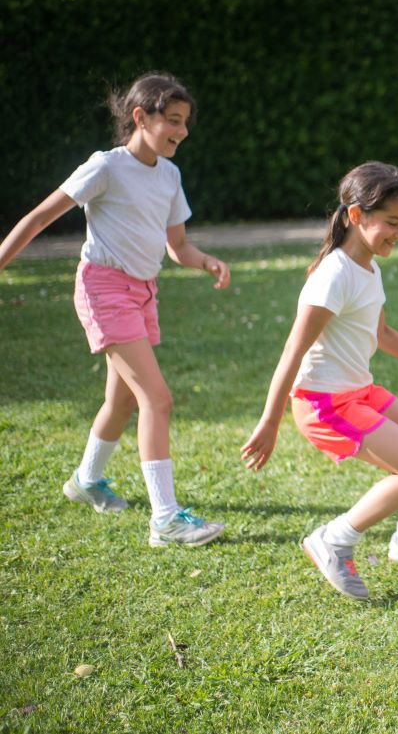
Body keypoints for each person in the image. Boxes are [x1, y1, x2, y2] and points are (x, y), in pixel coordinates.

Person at [0, 72, 229, 547]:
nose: (182, 132)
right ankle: (165, 520)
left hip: (143, 291)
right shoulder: (105, 167)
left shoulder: (169, 175)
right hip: (104, 287)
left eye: (185, 122)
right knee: (157, 399)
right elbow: (40, 216)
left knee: (124, 398)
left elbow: (178, 247)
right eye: (173, 120)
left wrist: (205, 261)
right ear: (140, 117)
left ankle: (86, 480)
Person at [241, 161, 398, 601]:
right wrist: (270, 422)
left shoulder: (368, 268)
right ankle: (334, 540)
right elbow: (293, 351)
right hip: (323, 402)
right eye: (391, 223)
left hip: (358, 391)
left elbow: (381, 334)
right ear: (356, 215)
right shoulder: (334, 275)